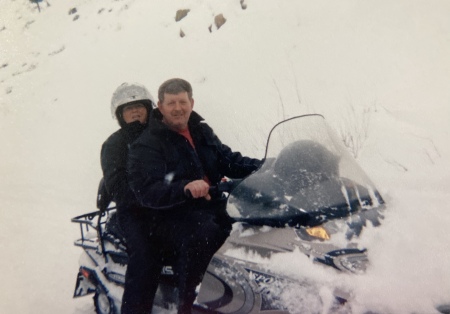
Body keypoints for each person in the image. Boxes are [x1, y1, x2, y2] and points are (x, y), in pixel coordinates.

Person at [127, 78, 262, 313]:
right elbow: (147, 191)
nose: (178, 108)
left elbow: (228, 160)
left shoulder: (201, 130)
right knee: (205, 234)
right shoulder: (148, 144)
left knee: (253, 223)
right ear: (160, 106)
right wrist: (184, 188)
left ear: (191, 102)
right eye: (171, 103)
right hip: (170, 215)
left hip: (212, 204)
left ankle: (251, 293)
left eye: (182, 101)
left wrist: (265, 166)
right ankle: (190, 305)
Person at [99, 82, 157, 314]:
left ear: (148, 109)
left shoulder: (161, 135)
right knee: (145, 256)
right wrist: (151, 198)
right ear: (120, 115)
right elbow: (117, 186)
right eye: (128, 108)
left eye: (139, 107)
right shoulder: (114, 144)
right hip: (134, 212)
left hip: (168, 205)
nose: (134, 112)